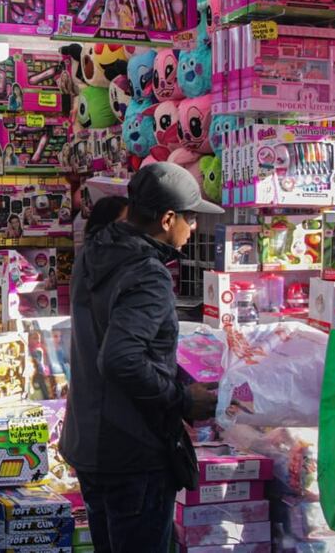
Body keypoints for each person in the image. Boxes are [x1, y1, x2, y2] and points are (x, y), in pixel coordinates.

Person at [61, 163, 223, 553]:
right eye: (190, 218)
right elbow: (120, 358)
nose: (195, 228)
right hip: (132, 453)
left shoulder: (95, 251)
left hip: (91, 445)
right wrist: (183, 399)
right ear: (167, 219)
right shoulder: (146, 272)